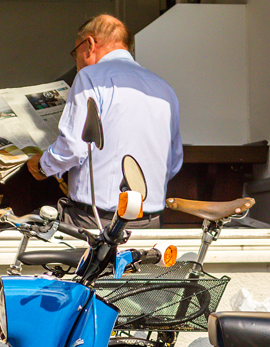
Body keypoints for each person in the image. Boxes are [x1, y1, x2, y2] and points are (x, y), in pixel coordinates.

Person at [26, 15, 182, 229]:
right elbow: (173, 162)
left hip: (98, 221)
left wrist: (43, 166)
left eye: (76, 53)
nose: (77, 62)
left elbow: (73, 147)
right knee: (137, 264)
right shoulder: (165, 89)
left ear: (89, 44)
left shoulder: (90, 77)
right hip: (150, 221)